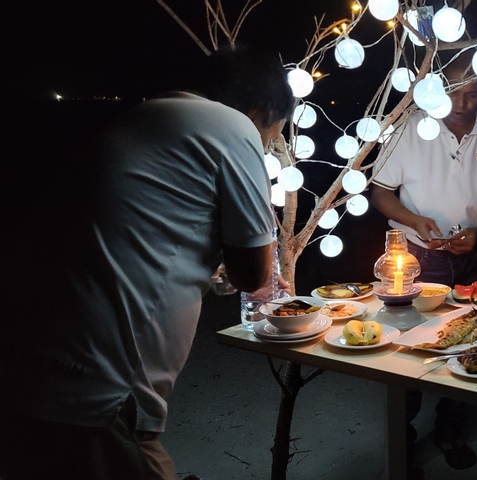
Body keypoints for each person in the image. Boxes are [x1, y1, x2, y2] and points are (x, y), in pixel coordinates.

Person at [0, 47, 294, 480]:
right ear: (261, 110)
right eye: (272, 135)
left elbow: (155, 239)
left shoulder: (146, 119)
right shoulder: (231, 126)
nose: (266, 145)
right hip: (97, 387)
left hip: (31, 367)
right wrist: (251, 271)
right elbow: (253, 272)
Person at [370, 51, 477, 476]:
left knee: (472, 346)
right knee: (409, 352)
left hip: (473, 259)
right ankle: (403, 439)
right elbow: (380, 192)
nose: (461, 103)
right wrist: (416, 220)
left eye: (471, 95)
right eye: (454, 93)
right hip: (416, 260)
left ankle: (450, 430)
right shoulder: (410, 130)